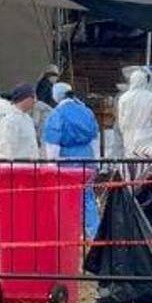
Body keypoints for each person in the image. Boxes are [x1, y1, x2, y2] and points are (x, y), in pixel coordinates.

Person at [43, 83, 101, 237]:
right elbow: (95, 137)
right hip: (87, 157)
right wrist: (96, 161)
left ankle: (68, 233)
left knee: (66, 197)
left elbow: (52, 142)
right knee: (87, 196)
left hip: (67, 159)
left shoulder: (57, 114)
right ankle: (94, 233)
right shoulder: (87, 111)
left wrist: (51, 165)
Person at [117, 69, 152, 157]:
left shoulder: (124, 98)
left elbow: (121, 118)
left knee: (130, 158)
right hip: (146, 133)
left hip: (129, 134)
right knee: (146, 157)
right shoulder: (151, 97)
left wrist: (123, 130)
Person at [0, 84, 41, 160]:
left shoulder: (27, 118)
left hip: (30, 165)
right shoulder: (10, 120)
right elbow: (5, 148)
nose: (35, 101)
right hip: (16, 165)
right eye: (33, 97)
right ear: (25, 99)